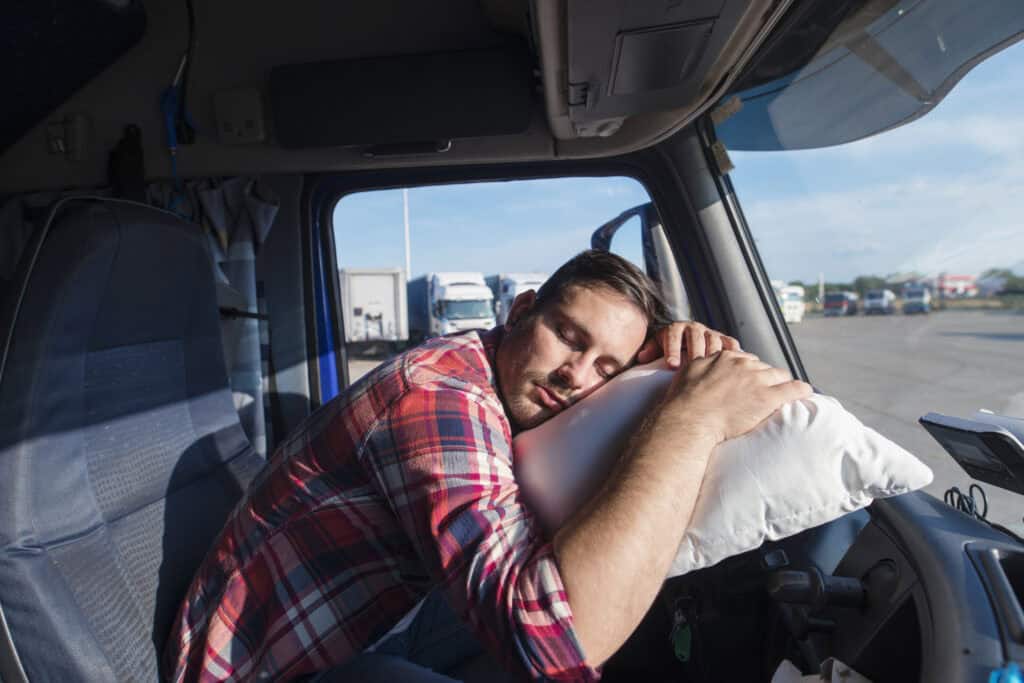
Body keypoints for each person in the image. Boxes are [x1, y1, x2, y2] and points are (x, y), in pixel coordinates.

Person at [163, 249, 811, 682]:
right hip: (264, 668)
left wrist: (664, 372)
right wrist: (691, 421)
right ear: (521, 309)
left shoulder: (498, 380)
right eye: (568, 335)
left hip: (374, 620)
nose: (576, 375)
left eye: (608, 368)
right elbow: (556, 645)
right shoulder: (439, 398)